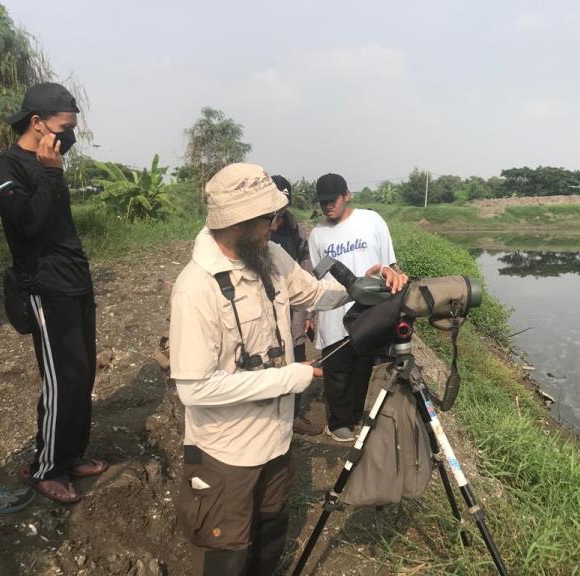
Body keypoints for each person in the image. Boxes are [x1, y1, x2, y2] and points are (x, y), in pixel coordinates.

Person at [169, 163, 406, 575]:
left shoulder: (271, 257)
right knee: (226, 555)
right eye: (268, 217)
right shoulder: (196, 287)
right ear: (238, 222)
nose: (277, 224)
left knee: (268, 541)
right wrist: (292, 376)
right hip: (227, 454)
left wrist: (362, 287)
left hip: (276, 441)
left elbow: (314, 293)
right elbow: (195, 390)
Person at [0, 83, 107, 505]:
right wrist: (49, 172)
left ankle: (70, 453)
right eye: (65, 127)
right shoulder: (5, 166)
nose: (70, 136)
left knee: (83, 374)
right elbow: (26, 225)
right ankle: (46, 468)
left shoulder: (51, 158)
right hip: (45, 285)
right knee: (61, 379)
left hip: (76, 278)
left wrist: (51, 167)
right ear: (38, 123)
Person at [308, 173, 404, 442]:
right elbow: (314, 279)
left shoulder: (371, 221)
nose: (328, 206)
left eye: (333, 200)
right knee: (336, 368)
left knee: (365, 364)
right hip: (332, 310)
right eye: (323, 202)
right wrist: (311, 314)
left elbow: (391, 265)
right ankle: (339, 422)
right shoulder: (317, 235)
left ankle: (361, 415)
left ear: (347, 195)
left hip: (371, 310)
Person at [269, 174, 320, 436]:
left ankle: (293, 414)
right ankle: (272, 418)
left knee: (297, 352)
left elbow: (306, 263)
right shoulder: (257, 228)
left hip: (295, 301)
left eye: (283, 209)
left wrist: (310, 310)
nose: (277, 220)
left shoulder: (293, 226)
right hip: (267, 304)